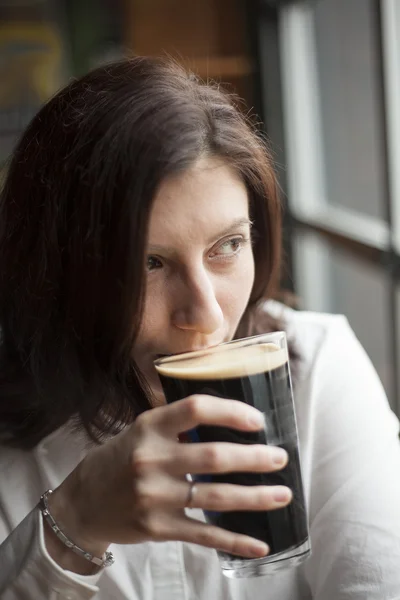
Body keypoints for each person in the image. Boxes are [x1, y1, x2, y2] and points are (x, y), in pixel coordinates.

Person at [0, 56, 399, 600]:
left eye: (228, 246)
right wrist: (75, 522)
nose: (207, 314)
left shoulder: (316, 367)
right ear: (56, 271)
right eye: (149, 264)